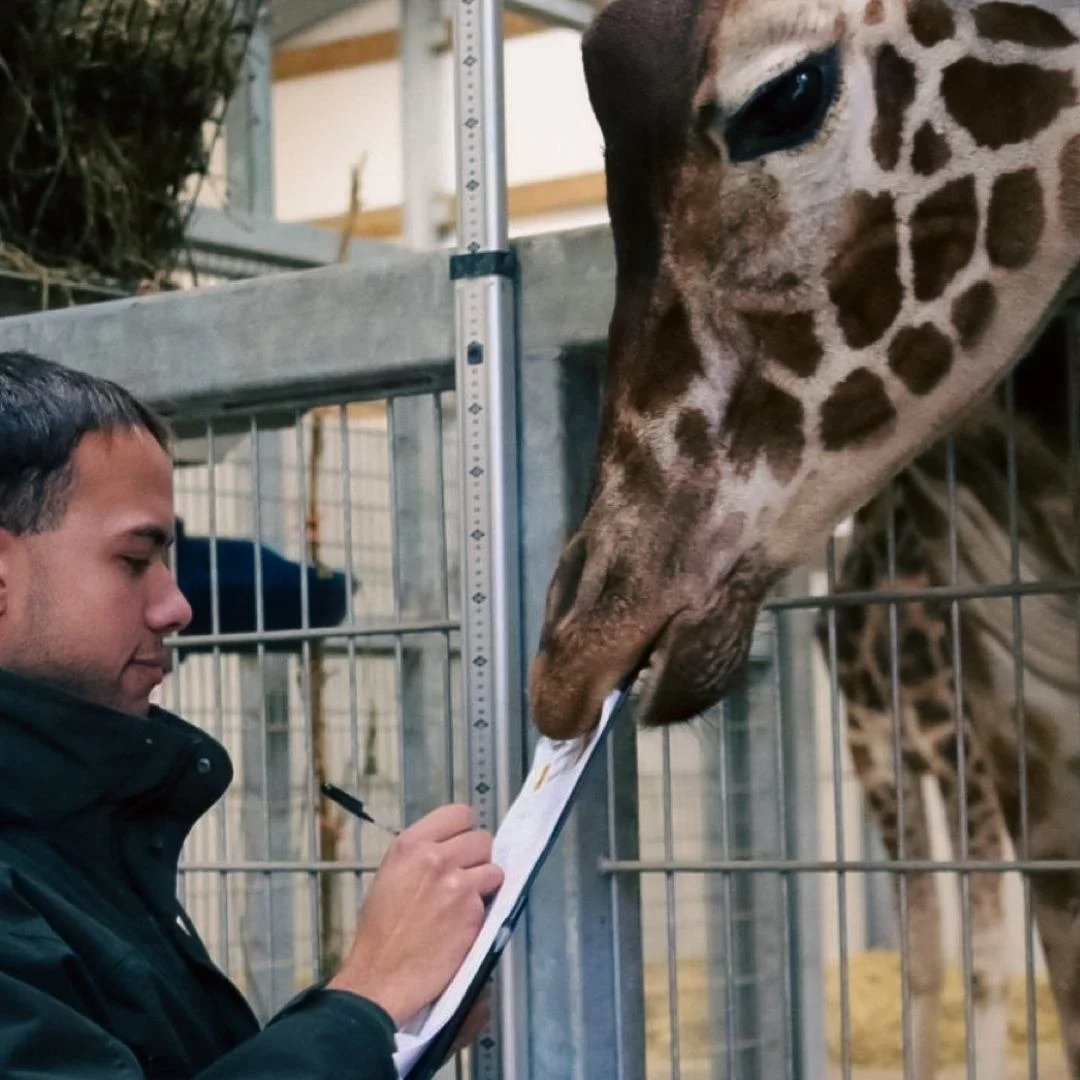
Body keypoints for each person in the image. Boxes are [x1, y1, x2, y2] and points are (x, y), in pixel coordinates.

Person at [0, 351, 504, 1078]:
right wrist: (366, 1000)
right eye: (135, 561)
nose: (177, 607)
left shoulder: (69, 835)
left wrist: (382, 1032)